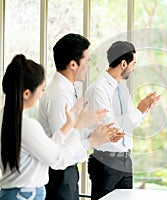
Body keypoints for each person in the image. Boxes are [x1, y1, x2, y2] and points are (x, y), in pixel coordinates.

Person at [0, 54, 124, 200]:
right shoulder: (27, 126)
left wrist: (69, 125)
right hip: (26, 195)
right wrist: (82, 131)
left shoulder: (7, 119)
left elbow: (49, 149)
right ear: (27, 93)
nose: (41, 95)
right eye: (42, 89)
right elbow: (58, 159)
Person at [36, 33, 115, 200]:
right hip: (59, 176)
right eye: (87, 60)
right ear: (73, 64)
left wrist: (96, 134)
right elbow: (63, 149)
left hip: (66, 175)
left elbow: (73, 134)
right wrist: (92, 141)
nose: (89, 65)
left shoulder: (66, 90)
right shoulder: (59, 96)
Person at [85, 41, 160, 200]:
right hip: (106, 163)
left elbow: (129, 125)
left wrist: (144, 109)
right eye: (133, 63)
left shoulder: (122, 89)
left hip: (125, 161)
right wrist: (138, 109)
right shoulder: (99, 89)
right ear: (124, 63)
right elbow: (111, 129)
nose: (133, 68)